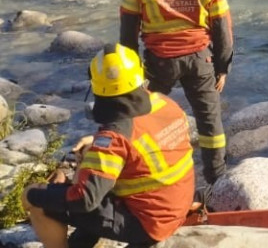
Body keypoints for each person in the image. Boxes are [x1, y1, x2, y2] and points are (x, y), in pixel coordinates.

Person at [22, 44, 194, 248]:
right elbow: (141, 139)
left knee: (40, 202)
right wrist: (96, 142)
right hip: (177, 205)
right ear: (140, 74)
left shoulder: (114, 136)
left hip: (148, 223)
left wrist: (32, 194)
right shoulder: (166, 104)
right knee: (96, 175)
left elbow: (85, 200)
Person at [119, 0, 232, 185]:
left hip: (158, 62)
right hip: (200, 60)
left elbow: (128, 31)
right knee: (210, 123)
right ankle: (217, 181)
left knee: (141, 115)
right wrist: (222, 67)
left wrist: (131, 72)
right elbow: (223, 30)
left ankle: (137, 169)